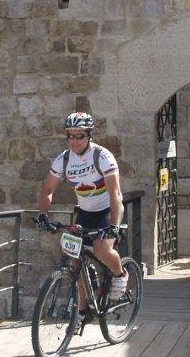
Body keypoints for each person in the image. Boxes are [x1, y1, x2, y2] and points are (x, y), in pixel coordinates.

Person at [37, 112, 128, 315]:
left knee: (101, 249)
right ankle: (83, 308)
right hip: (85, 212)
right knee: (73, 257)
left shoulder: (102, 156)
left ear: (89, 135)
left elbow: (115, 193)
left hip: (107, 210)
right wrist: (43, 215)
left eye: (80, 136)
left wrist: (113, 226)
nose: (74, 140)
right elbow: (47, 190)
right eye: (70, 136)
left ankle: (120, 273)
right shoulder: (64, 159)